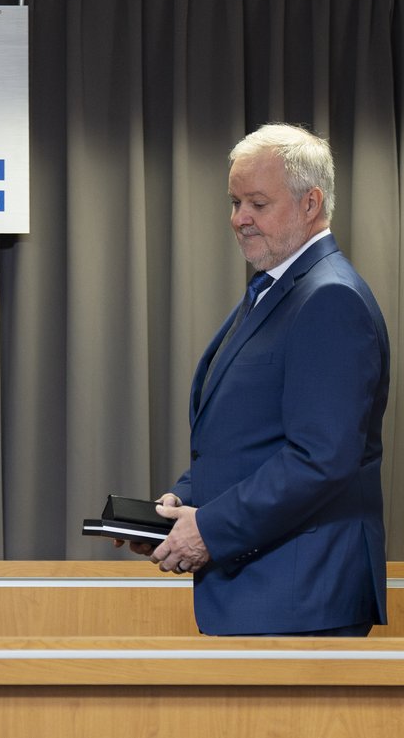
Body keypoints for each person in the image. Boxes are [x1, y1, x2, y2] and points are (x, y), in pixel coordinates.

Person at [129, 123, 390, 636]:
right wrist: (178, 507)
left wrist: (209, 529)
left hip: (301, 598)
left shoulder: (330, 298)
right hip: (267, 592)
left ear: (311, 203)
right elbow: (250, 440)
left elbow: (320, 458)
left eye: (257, 204)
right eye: (234, 202)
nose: (239, 219)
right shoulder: (277, 289)